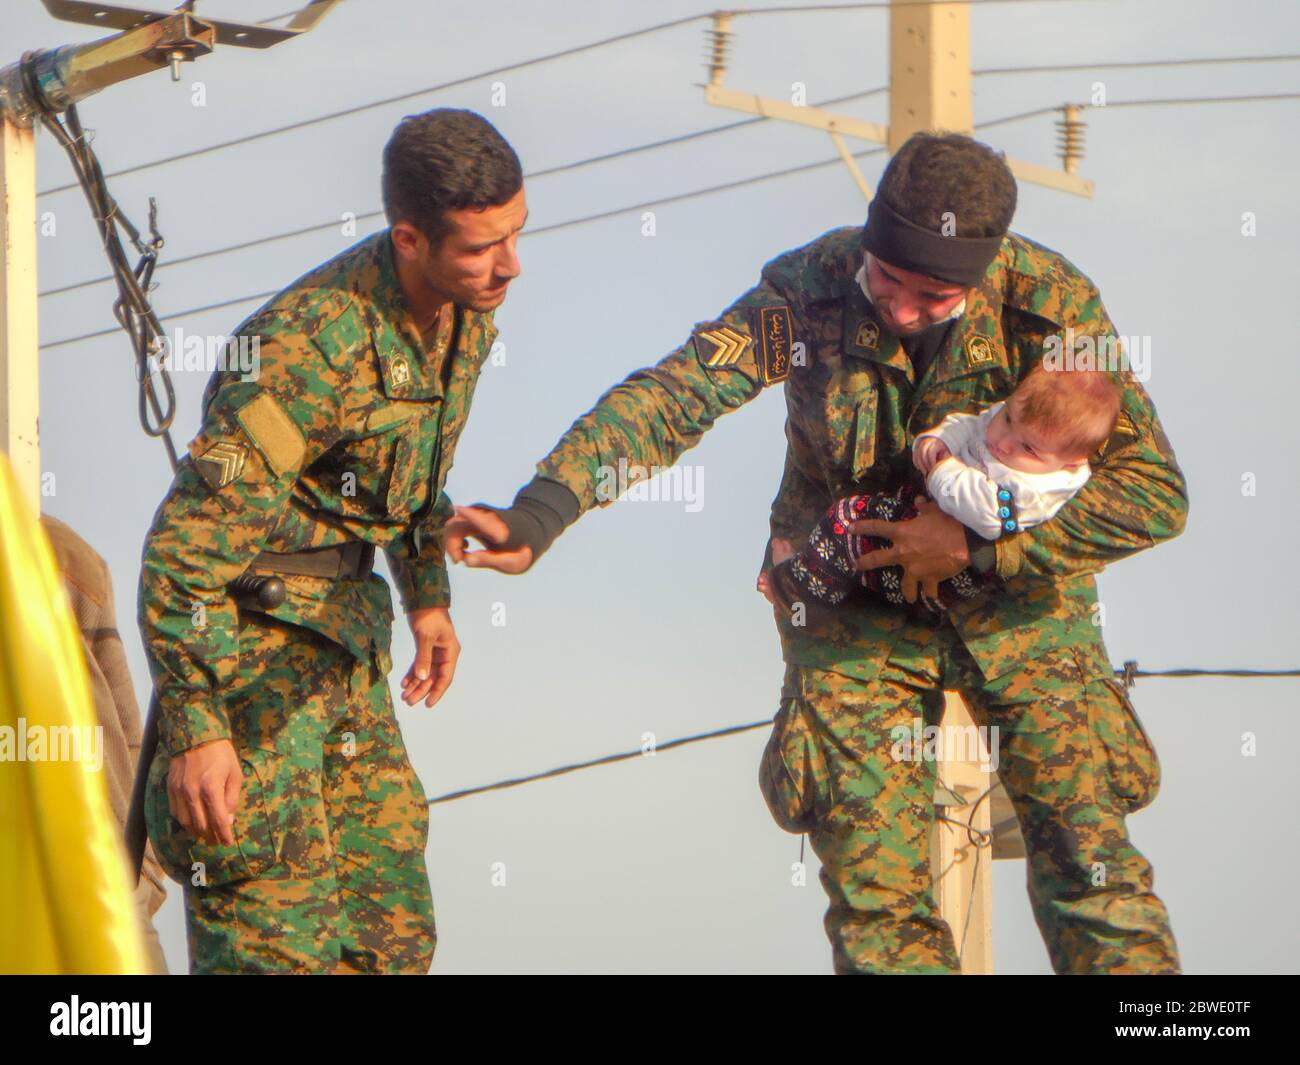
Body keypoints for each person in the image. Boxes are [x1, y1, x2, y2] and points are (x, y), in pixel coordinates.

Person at [444, 131, 1186, 974]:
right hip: (851, 615)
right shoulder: (808, 288)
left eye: (934, 295)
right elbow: (678, 392)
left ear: (981, 276)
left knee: (1090, 873)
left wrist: (981, 554)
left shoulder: (1050, 306)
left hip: (1022, 613)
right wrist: (543, 510)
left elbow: (1155, 493)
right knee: (879, 903)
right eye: (888, 279)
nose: (901, 310)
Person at [137, 108, 526, 974]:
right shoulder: (305, 348)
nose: (508, 265)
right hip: (250, 668)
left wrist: (428, 596)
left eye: (514, 236)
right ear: (410, 238)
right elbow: (180, 557)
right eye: (479, 247)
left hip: (347, 662)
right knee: (277, 952)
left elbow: (413, 485)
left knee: (390, 944)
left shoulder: (464, 320)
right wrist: (200, 729)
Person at [768, 363, 1120, 611]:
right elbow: (973, 424)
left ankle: (796, 591)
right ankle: (834, 579)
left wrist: (942, 467)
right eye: (1008, 419)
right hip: (927, 511)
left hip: (952, 575)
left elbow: (986, 516)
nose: (1003, 442)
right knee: (864, 542)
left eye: (1027, 448)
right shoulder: (1021, 428)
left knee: (845, 520)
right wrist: (940, 438)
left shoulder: (1038, 487)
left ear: (1072, 462)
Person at [42, 514, 169, 974]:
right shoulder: (63, 553)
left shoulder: (60, 557)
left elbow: (127, 734)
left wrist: (142, 871)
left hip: (99, 877)